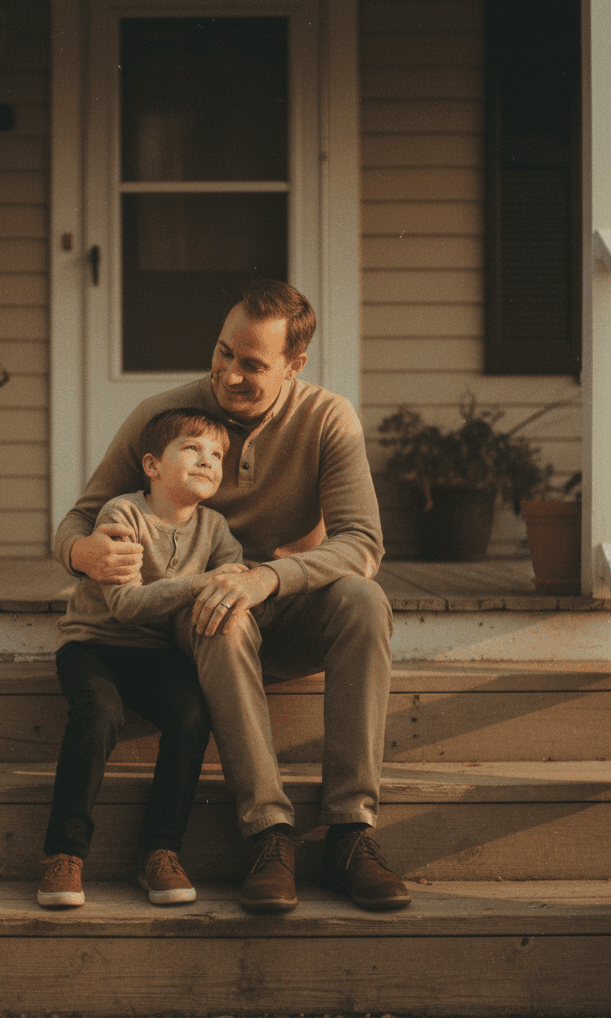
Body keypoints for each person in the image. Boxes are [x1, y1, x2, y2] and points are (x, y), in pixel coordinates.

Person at [55, 279, 410, 914]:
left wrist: (269, 577)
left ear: (294, 366)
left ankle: (351, 832)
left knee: (364, 600)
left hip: (287, 600)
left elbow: (362, 543)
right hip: (200, 612)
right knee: (220, 610)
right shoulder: (164, 415)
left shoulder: (329, 419)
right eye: (223, 352)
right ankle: (271, 835)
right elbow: (77, 522)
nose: (229, 374)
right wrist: (82, 555)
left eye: (253, 364)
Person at [39, 407, 249, 909]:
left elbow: (236, 571)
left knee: (192, 713)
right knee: (100, 713)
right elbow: (127, 606)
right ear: (153, 466)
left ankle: (160, 851)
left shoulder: (215, 527)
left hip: (155, 653)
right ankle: (63, 854)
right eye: (192, 449)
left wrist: (239, 577)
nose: (208, 461)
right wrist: (202, 582)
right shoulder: (123, 513)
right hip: (92, 644)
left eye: (217, 455)